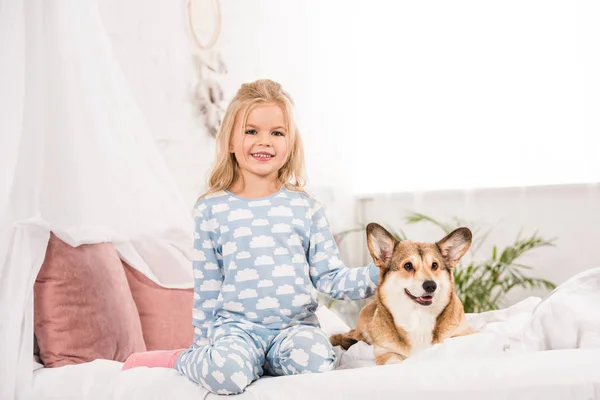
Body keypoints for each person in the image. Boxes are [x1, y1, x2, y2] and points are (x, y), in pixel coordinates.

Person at [122, 79, 379, 395]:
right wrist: (206, 346)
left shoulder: (306, 207)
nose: (264, 141)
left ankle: (266, 361)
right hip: (237, 331)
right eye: (251, 131)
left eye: (277, 132)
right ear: (231, 141)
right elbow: (208, 287)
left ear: (290, 143)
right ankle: (185, 360)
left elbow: (330, 277)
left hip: (295, 328)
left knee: (314, 361)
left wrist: (381, 274)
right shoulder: (211, 209)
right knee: (225, 374)